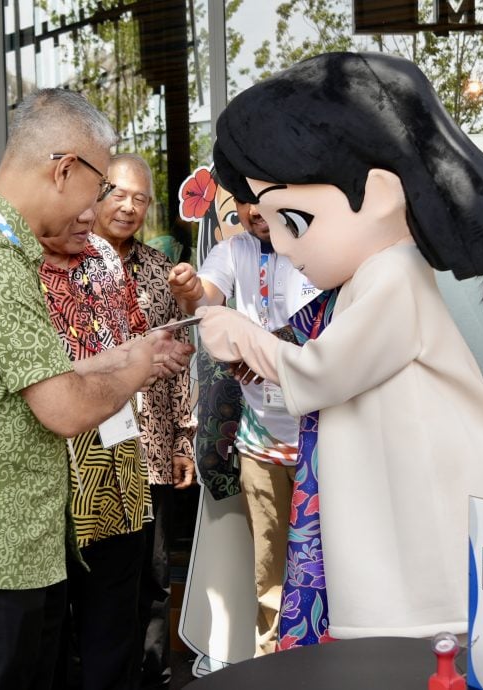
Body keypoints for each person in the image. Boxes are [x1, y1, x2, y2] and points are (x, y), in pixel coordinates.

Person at [194, 52, 483, 647]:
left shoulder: (393, 275)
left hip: (419, 514)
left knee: (413, 649)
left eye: (293, 221)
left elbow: (322, 372)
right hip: (391, 503)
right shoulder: (367, 279)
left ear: (377, 195)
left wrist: (242, 332)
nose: (284, 246)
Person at [0, 87, 190, 690]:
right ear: (63, 169)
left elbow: (34, 377)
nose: (98, 205)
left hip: (6, 546)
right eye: (100, 185)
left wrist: (128, 353)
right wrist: (136, 369)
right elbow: (62, 407)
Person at [170, 197, 316, 656]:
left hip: (320, 440)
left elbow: (329, 321)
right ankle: (270, 663)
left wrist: (268, 350)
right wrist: (191, 288)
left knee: (324, 568)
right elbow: (206, 297)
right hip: (260, 445)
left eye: (266, 198)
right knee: (269, 577)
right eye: (247, 200)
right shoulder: (234, 252)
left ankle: (325, 664)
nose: (257, 210)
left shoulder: (318, 245)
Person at [93, 153, 196, 687]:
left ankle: (152, 673)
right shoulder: (68, 266)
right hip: (88, 454)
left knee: (153, 579)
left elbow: (182, 358)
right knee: (97, 582)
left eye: (140, 198)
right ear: (96, 193)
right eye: (118, 193)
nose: (128, 207)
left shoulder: (160, 272)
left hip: (151, 450)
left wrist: (185, 438)